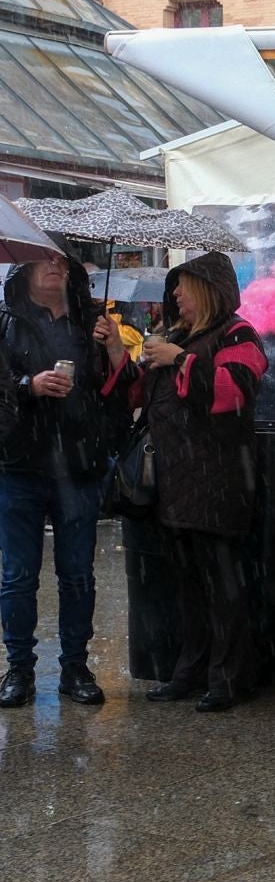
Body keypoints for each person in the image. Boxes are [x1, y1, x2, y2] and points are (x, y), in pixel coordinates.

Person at [136, 253, 269, 713]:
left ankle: (228, 678)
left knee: (222, 587)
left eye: (183, 286)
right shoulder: (176, 336)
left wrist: (181, 360)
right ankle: (189, 671)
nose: (175, 294)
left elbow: (234, 392)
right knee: (188, 588)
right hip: (174, 484)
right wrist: (122, 353)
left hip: (219, 483)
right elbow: (144, 399)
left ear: (208, 290)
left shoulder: (238, 333)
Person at [0, 251, 134, 708]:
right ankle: (19, 668)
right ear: (25, 274)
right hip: (18, 467)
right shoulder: (6, 322)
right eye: (44, 260)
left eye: (62, 260)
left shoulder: (91, 324)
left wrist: (114, 348)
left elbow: (121, 393)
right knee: (17, 577)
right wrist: (27, 386)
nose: (55, 265)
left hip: (79, 469)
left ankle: (75, 666)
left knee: (77, 575)